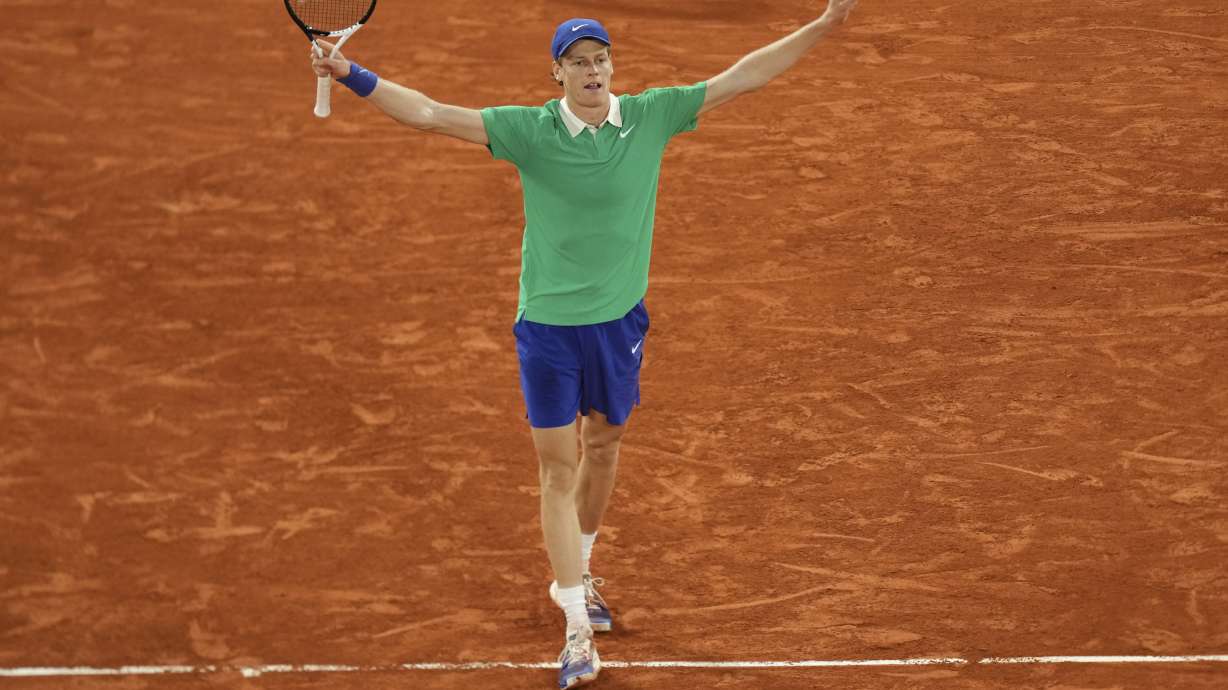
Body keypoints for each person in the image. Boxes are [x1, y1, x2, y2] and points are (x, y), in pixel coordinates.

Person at [310, 2, 858, 687]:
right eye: (578, 62)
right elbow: (428, 113)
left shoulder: (653, 115)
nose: (592, 70)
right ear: (558, 73)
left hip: (618, 325)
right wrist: (352, 72)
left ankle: (584, 567)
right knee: (557, 467)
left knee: (605, 445)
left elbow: (744, 76)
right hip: (546, 329)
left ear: (610, 66)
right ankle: (574, 627)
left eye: (600, 59)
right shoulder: (530, 131)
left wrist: (827, 23)